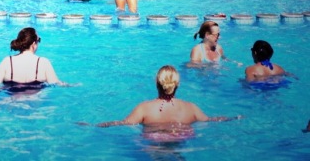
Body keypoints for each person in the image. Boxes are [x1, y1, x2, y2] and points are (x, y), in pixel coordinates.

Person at [94, 65, 239, 127]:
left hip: (153, 145)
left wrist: (98, 125)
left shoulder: (144, 109)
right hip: (182, 139)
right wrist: (234, 117)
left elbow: (123, 123)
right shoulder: (191, 108)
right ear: (178, 84)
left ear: (157, 82)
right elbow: (211, 120)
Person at [0, 27, 65, 92]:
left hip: (12, 102)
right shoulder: (43, 62)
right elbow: (56, 83)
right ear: (33, 44)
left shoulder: (7, 61)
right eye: (38, 41)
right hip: (36, 103)